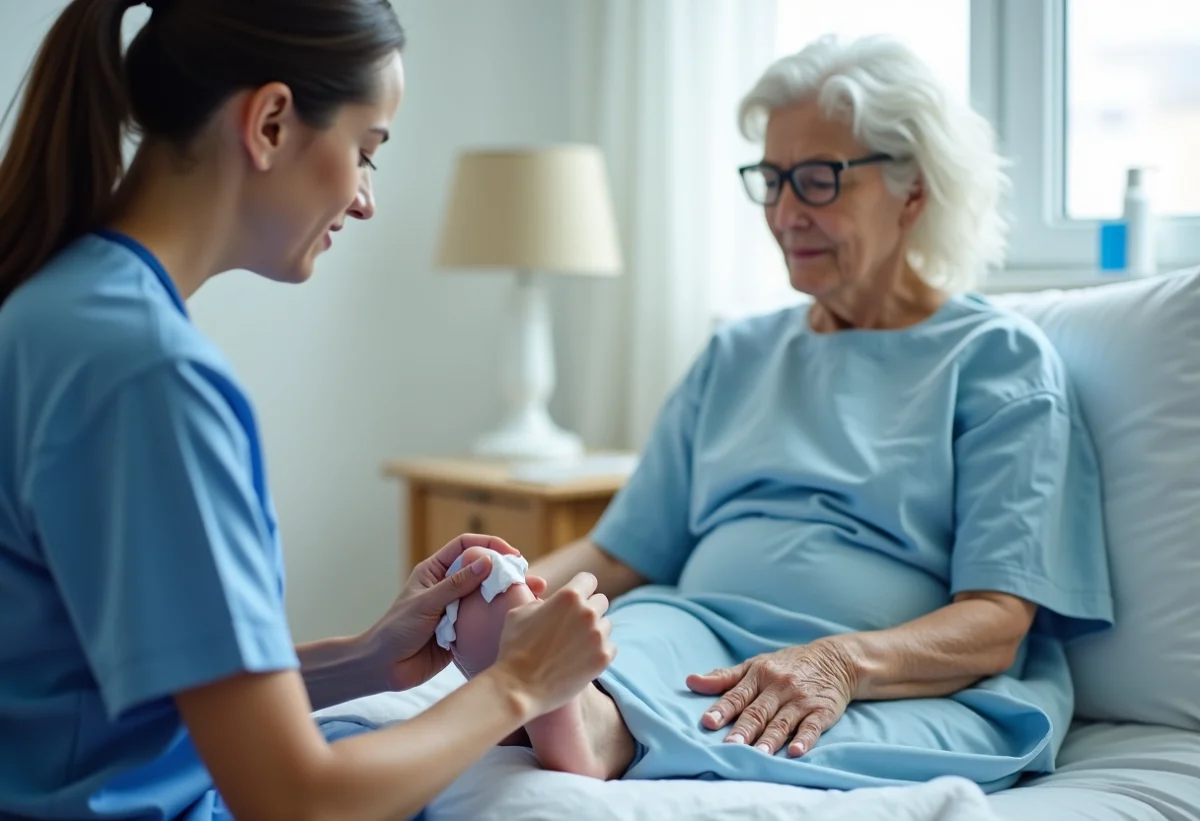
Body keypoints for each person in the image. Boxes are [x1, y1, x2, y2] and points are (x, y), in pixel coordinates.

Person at [444, 34, 1116, 794]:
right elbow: (621, 551)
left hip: (890, 670)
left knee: (791, 711)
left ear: (915, 192)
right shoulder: (736, 353)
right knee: (633, 643)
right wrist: (512, 592)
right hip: (692, 625)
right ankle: (579, 708)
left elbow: (998, 616)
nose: (787, 212)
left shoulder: (998, 359)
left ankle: (595, 726)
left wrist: (837, 660)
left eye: (819, 180)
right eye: (772, 179)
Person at [0, 2, 615, 820]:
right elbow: (294, 799)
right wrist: (520, 683)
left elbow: (116, 689)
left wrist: (361, 658)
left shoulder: (56, 310)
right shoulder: (148, 379)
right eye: (366, 152)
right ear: (271, 122)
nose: (365, 201)